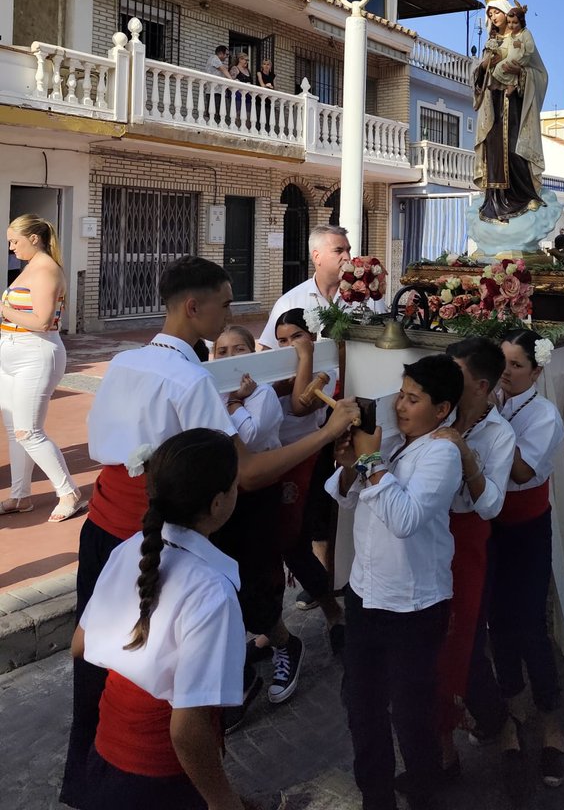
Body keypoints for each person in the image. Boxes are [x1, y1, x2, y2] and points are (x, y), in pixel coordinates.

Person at [61, 256, 358, 807]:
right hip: (150, 534)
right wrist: (328, 433)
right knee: (168, 678)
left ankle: (91, 779)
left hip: (104, 526)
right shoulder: (190, 377)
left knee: (103, 665)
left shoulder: (125, 362)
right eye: (224, 304)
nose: (230, 314)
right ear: (193, 308)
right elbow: (245, 473)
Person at [72, 429, 251, 810]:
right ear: (218, 503)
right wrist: (224, 802)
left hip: (104, 754)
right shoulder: (212, 591)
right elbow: (187, 729)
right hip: (158, 777)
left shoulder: (127, 550)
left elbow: (80, 644)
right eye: (235, 484)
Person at [326, 354, 464, 810]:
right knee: (361, 707)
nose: (400, 406)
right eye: (401, 395)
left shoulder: (442, 453)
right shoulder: (392, 442)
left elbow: (404, 520)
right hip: (365, 594)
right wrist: (353, 465)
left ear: (442, 410)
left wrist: (370, 460)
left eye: (413, 399)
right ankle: (376, 795)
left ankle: (424, 790)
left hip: (414, 605)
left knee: (411, 713)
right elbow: (348, 499)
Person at [467, 329, 564, 790]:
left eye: (517, 365)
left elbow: (524, 471)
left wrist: (489, 421)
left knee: (529, 626)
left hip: (526, 530)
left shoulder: (542, 414)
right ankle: (510, 712)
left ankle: (551, 721)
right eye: (502, 363)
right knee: (496, 623)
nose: (506, 372)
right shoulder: (496, 404)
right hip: (490, 526)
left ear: (537, 370)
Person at [434, 338, 515, 780]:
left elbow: (490, 506)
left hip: (466, 542)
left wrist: (465, 456)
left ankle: (487, 721)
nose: (446, 380)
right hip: (426, 536)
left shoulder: (499, 433)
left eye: (457, 374)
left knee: (459, 642)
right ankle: (443, 749)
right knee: (426, 642)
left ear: (482, 386)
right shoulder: (435, 411)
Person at [210, 326, 303, 710]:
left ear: (253, 354)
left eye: (239, 349)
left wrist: (234, 403)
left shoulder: (261, 394)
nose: (230, 357)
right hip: (222, 494)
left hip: (257, 495)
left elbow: (247, 438)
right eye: (222, 351)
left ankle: (285, 644)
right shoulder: (211, 390)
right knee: (224, 580)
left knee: (257, 577)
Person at [0, 214, 83, 522]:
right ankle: (20, 496)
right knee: (15, 431)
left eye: (14, 241)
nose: (11, 247)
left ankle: (69, 492)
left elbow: (43, 321)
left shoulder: (46, 269)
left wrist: (2, 309)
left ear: (34, 239)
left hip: (34, 355)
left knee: (28, 431)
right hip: (12, 352)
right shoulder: (31, 267)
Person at [271, 309, 345, 648]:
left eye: (297, 337)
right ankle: (271, 630)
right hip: (270, 460)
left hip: (304, 462)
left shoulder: (323, 368)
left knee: (295, 541)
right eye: (282, 340)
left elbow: (302, 405)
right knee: (272, 547)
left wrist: (306, 356)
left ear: (312, 337)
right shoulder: (273, 368)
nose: (290, 345)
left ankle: (332, 612)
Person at [473, 0, 548, 224]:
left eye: (496, 12)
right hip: (493, 103)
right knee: (494, 153)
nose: (493, 17)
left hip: (515, 105)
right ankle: (495, 205)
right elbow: (479, 76)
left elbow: (541, 74)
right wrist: (485, 65)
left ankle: (525, 196)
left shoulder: (522, 37)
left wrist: (521, 73)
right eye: (490, 14)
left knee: (515, 150)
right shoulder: (492, 42)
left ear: (507, 13)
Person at [259, 224, 387, 349]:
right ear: (317, 257)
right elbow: (268, 352)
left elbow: (386, 342)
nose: (347, 257)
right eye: (338, 251)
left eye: (348, 250)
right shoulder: (288, 302)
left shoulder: (368, 297)